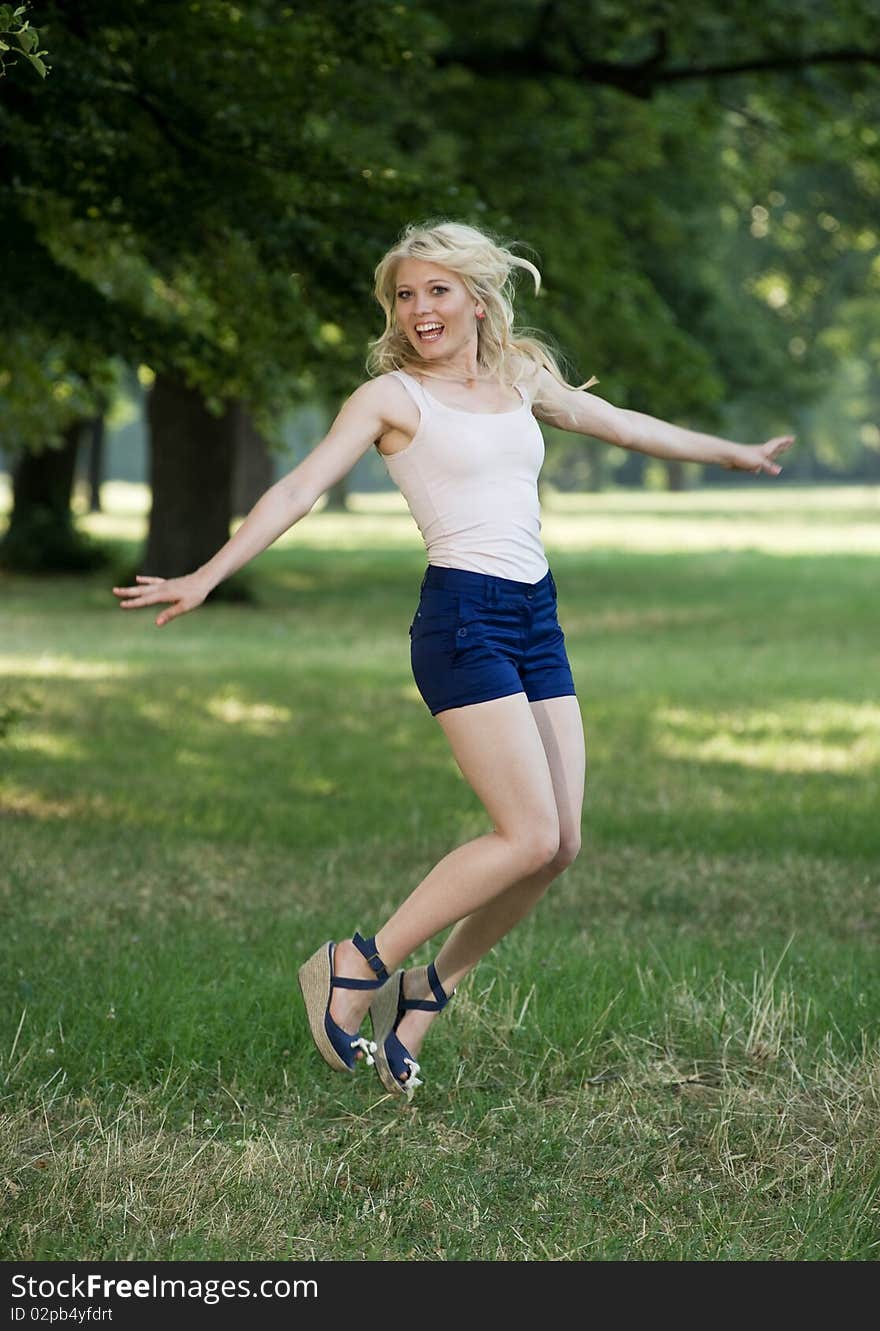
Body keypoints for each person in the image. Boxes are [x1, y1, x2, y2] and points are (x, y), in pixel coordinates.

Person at [112, 219, 794, 1099]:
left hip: (534, 617)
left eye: (437, 289)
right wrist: (207, 573)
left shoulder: (519, 378)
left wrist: (731, 452)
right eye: (405, 294)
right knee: (528, 832)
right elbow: (298, 487)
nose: (420, 308)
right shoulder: (393, 398)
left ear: (477, 296)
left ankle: (426, 994)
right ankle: (355, 964)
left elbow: (617, 423)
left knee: (560, 846)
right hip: (462, 620)